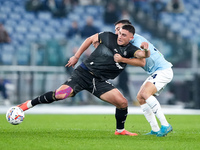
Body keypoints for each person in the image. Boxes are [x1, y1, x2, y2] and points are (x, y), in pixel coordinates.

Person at [16, 24, 150, 136]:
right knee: (60, 94)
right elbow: (89, 39)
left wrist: (145, 50)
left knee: (122, 102)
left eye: (123, 35)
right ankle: (27, 105)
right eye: (119, 33)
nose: (119, 36)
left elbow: (142, 56)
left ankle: (120, 130)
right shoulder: (108, 36)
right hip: (83, 74)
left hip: (99, 81)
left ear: (131, 38)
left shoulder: (131, 49)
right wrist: (76, 56)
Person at [113, 20, 173, 137]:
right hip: (156, 71)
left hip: (163, 70)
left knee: (145, 93)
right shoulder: (128, 41)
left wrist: (122, 60)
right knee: (140, 97)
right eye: (116, 30)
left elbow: (142, 62)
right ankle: (155, 129)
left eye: (119, 30)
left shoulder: (137, 42)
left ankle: (165, 125)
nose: (117, 33)